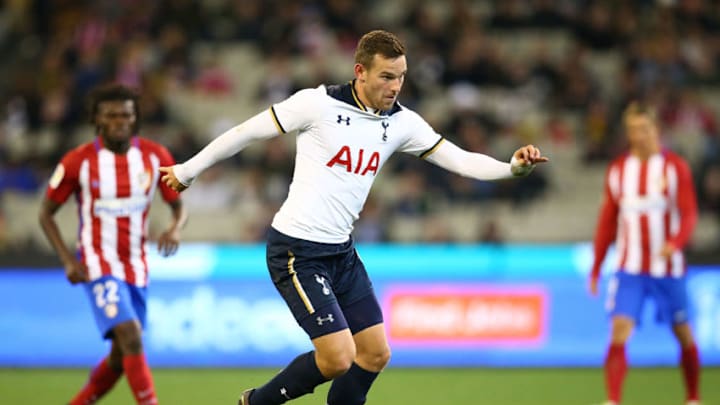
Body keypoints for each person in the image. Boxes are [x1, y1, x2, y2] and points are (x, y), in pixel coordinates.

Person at [160, 30, 548, 405]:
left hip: (341, 253)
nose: (395, 87)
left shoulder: (401, 123)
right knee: (337, 357)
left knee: (375, 354)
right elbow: (245, 132)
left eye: (401, 77)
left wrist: (511, 168)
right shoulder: (318, 105)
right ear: (360, 71)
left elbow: (461, 160)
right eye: (386, 76)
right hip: (297, 250)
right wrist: (188, 170)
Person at [39, 84, 187, 405]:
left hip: (137, 264)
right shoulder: (78, 161)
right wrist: (67, 259)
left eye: (126, 115)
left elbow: (179, 206)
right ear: (98, 120)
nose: (120, 121)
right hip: (97, 260)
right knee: (131, 336)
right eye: (112, 116)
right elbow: (46, 214)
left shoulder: (154, 156)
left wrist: (175, 229)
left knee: (121, 357)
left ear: (135, 119)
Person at [589, 101, 701, 405]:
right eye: (634, 130)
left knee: (684, 333)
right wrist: (597, 267)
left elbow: (689, 214)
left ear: (656, 130)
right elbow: (606, 223)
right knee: (619, 329)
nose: (640, 135)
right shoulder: (618, 170)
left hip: (668, 268)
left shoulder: (675, 167)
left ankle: (692, 397)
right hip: (630, 267)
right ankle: (613, 400)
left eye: (645, 128)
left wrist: (675, 242)